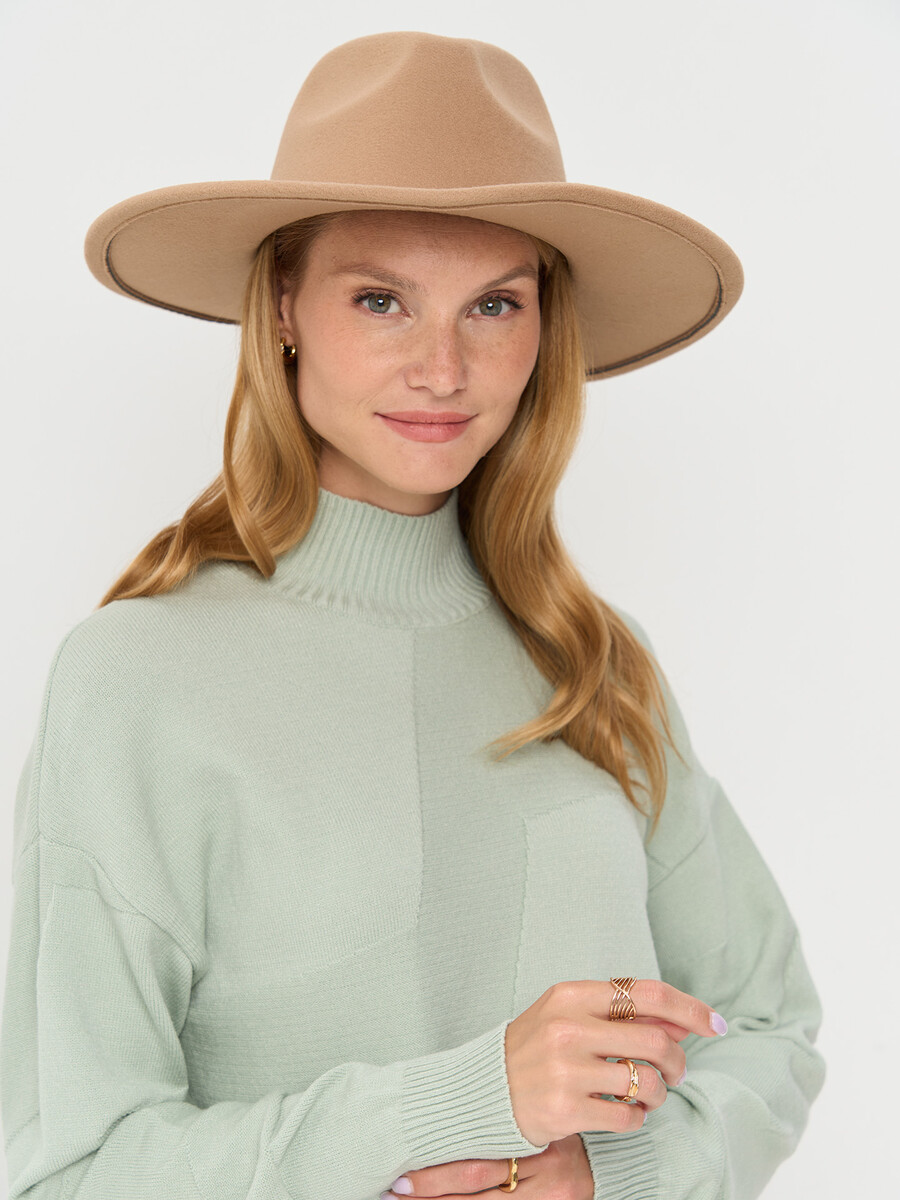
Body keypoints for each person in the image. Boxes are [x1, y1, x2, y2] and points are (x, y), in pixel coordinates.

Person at [0, 30, 824, 1200]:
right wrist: (456, 1101)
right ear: (282, 306)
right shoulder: (136, 677)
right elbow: (73, 1169)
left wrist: (610, 1177)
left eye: (494, 304)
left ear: (544, 329)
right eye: (382, 299)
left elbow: (769, 1028)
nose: (444, 369)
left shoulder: (595, 665)